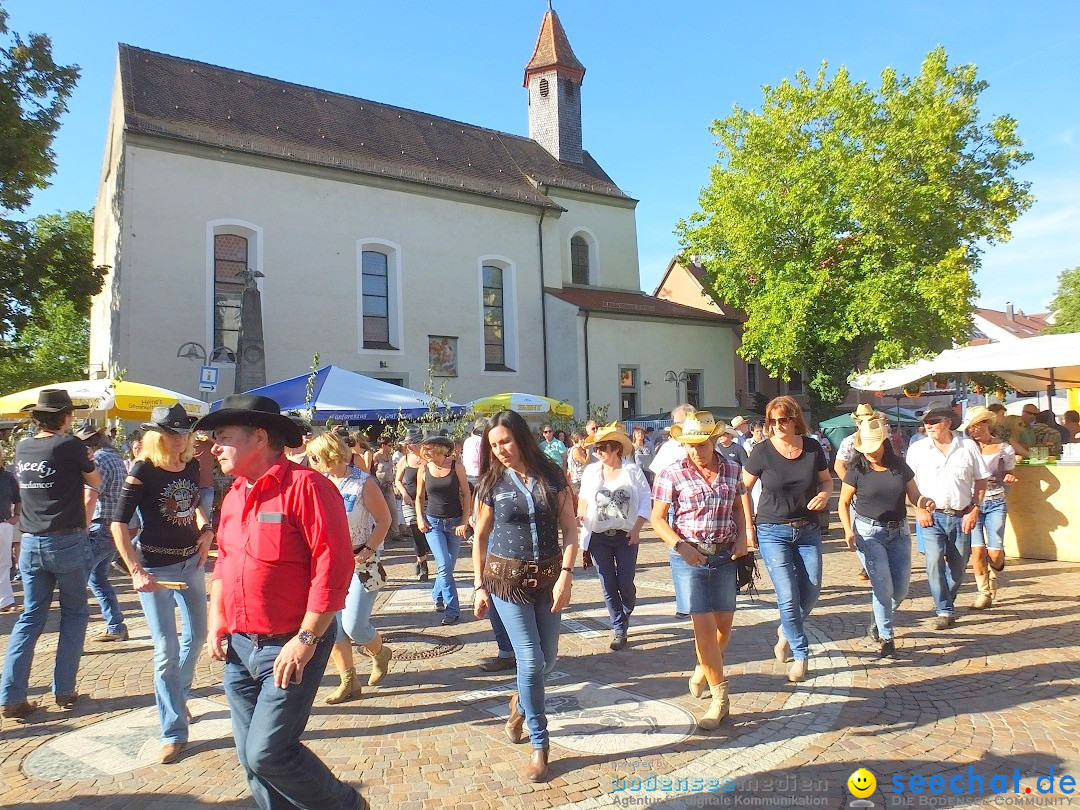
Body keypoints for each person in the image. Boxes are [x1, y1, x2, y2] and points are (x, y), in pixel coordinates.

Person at [196, 394, 366, 810]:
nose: (212, 447)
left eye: (223, 438)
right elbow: (225, 563)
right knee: (251, 761)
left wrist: (307, 638)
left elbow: (335, 567)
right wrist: (216, 618)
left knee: (268, 752)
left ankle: (348, 806)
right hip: (239, 645)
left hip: (290, 643)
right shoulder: (236, 492)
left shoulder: (308, 487)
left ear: (259, 437)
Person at [472, 410, 578, 783]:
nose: (500, 450)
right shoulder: (490, 482)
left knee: (547, 661)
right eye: (493, 445)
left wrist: (566, 576)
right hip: (507, 581)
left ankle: (518, 703)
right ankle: (540, 743)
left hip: (549, 579)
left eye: (505, 441)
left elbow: (570, 529)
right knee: (531, 661)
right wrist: (478, 585)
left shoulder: (551, 474)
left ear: (521, 438)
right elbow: (480, 537)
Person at [110, 404, 214, 763]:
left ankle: (178, 694)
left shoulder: (190, 464)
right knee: (166, 649)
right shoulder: (143, 469)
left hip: (191, 562)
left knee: (198, 636)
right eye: (172, 432)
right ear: (156, 435)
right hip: (156, 569)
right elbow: (118, 523)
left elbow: (196, 505)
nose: (180, 438)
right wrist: (135, 569)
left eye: (184, 432)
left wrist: (207, 530)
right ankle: (172, 730)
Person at [1, 390, 100, 719]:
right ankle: (64, 690)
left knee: (30, 618)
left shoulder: (24, 446)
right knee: (74, 615)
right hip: (66, 540)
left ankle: (12, 695)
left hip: (31, 541)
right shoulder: (67, 445)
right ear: (65, 417)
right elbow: (94, 479)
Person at [651, 411, 749, 729]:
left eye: (701, 444)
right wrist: (681, 546)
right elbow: (658, 518)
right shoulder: (672, 472)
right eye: (689, 445)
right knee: (704, 628)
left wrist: (743, 539)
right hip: (687, 557)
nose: (695, 451)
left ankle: (703, 667)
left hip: (723, 557)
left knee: (724, 628)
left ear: (713, 441)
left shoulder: (733, 468)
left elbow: (737, 506)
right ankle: (721, 699)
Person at [743, 395, 832, 683]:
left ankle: (786, 629)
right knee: (787, 594)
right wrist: (748, 526)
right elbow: (742, 489)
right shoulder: (762, 451)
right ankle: (801, 652)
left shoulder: (812, 448)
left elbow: (827, 480)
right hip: (772, 529)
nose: (777, 425)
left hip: (808, 528)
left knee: (813, 588)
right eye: (772, 421)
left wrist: (824, 494)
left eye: (783, 419)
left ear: (795, 419)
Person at [306, 433, 393, 704]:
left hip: (362, 562)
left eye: (315, 457)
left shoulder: (362, 482)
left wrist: (368, 550)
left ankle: (380, 653)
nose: (311, 462)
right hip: (329, 563)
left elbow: (384, 519)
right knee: (334, 628)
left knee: (354, 624)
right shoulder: (318, 483)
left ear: (329, 455)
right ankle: (348, 681)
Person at [837, 418, 933, 658]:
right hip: (869, 534)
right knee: (883, 587)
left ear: (884, 443)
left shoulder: (900, 466)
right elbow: (843, 502)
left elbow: (915, 495)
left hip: (899, 532)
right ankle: (887, 638)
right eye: (865, 449)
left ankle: (877, 620)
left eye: (874, 447)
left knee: (900, 590)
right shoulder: (857, 469)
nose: (870, 453)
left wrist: (923, 503)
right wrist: (848, 530)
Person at [905, 407, 989, 630]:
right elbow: (908, 484)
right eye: (927, 422)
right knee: (933, 564)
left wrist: (975, 509)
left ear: (948, 423)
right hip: (932, 517)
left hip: (962, 516)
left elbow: (981, 481)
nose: (929, 425)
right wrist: (918, 510)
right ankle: (944, 609)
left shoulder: (968, 447)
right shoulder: (917, 449)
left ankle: (946, 602)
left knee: (959, 567)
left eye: (934, 421)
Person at [577, 422, 651, 650]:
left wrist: (637, 529)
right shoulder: (591, 472)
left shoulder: (632, 471)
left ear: (616, 449)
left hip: (625, 535)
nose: (598, 452)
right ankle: (619, 628)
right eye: (596, 448)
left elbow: (646, 500)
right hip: (599, 536)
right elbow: (583, 498)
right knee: (608, 584)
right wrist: (580, 514)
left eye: (603, 447)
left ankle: (626, 608)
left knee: (625, 583)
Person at [76, 423, 130, 643]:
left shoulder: (96, 461)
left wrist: (83, 527)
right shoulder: (115, 457)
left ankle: (75, 634)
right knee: (97, 579)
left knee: (78, 577)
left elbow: (90, 497)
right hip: (113, 525)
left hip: (99, 524)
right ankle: (116, 626)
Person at [960, 406, 1016, 610]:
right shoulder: (966, 448)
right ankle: (983, 593)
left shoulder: (1004, 449)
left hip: (995, 501)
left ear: (987, 424)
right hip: (971, 503)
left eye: (977, 426)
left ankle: (995, 573)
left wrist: (1009, 476)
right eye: (970, 427)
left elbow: (1010, 472)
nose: (973, 431)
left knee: (994, 554)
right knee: (977, 551)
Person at [416, 429, 471, 625]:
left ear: (440, 449)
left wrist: (465, 521)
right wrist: (420, 518)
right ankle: (453, 610)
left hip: (455, 522)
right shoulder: (423, 469)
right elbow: (419, 497)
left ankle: (437, 595)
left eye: (429, 448)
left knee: (448, 566)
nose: (425, 452)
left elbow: (466, 494)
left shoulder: (457, 467)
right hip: (433, 523)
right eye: (425, 449)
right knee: (444, 565)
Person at [395, 427, 432, 581]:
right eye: (407, 444)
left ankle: (420, 557)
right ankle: (423, 564)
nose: (408, 446)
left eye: (411, 443)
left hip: (428, 501)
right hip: (409, 501)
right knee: (415, 530)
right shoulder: (404, 460)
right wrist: (404, 494)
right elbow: (397, 480)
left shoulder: (428, 459)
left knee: (426, 532)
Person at [0, 445, 21, 613]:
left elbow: (18, 498)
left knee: (4, 564)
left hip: (3, 524)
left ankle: (5, 601)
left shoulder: (8, 477)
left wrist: (16, 517)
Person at [649, 404, 694, 478]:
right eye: (675, 423)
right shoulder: (668, 447)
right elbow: (658, 476)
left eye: (678, 423)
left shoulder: (707, 445)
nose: (675, 427)